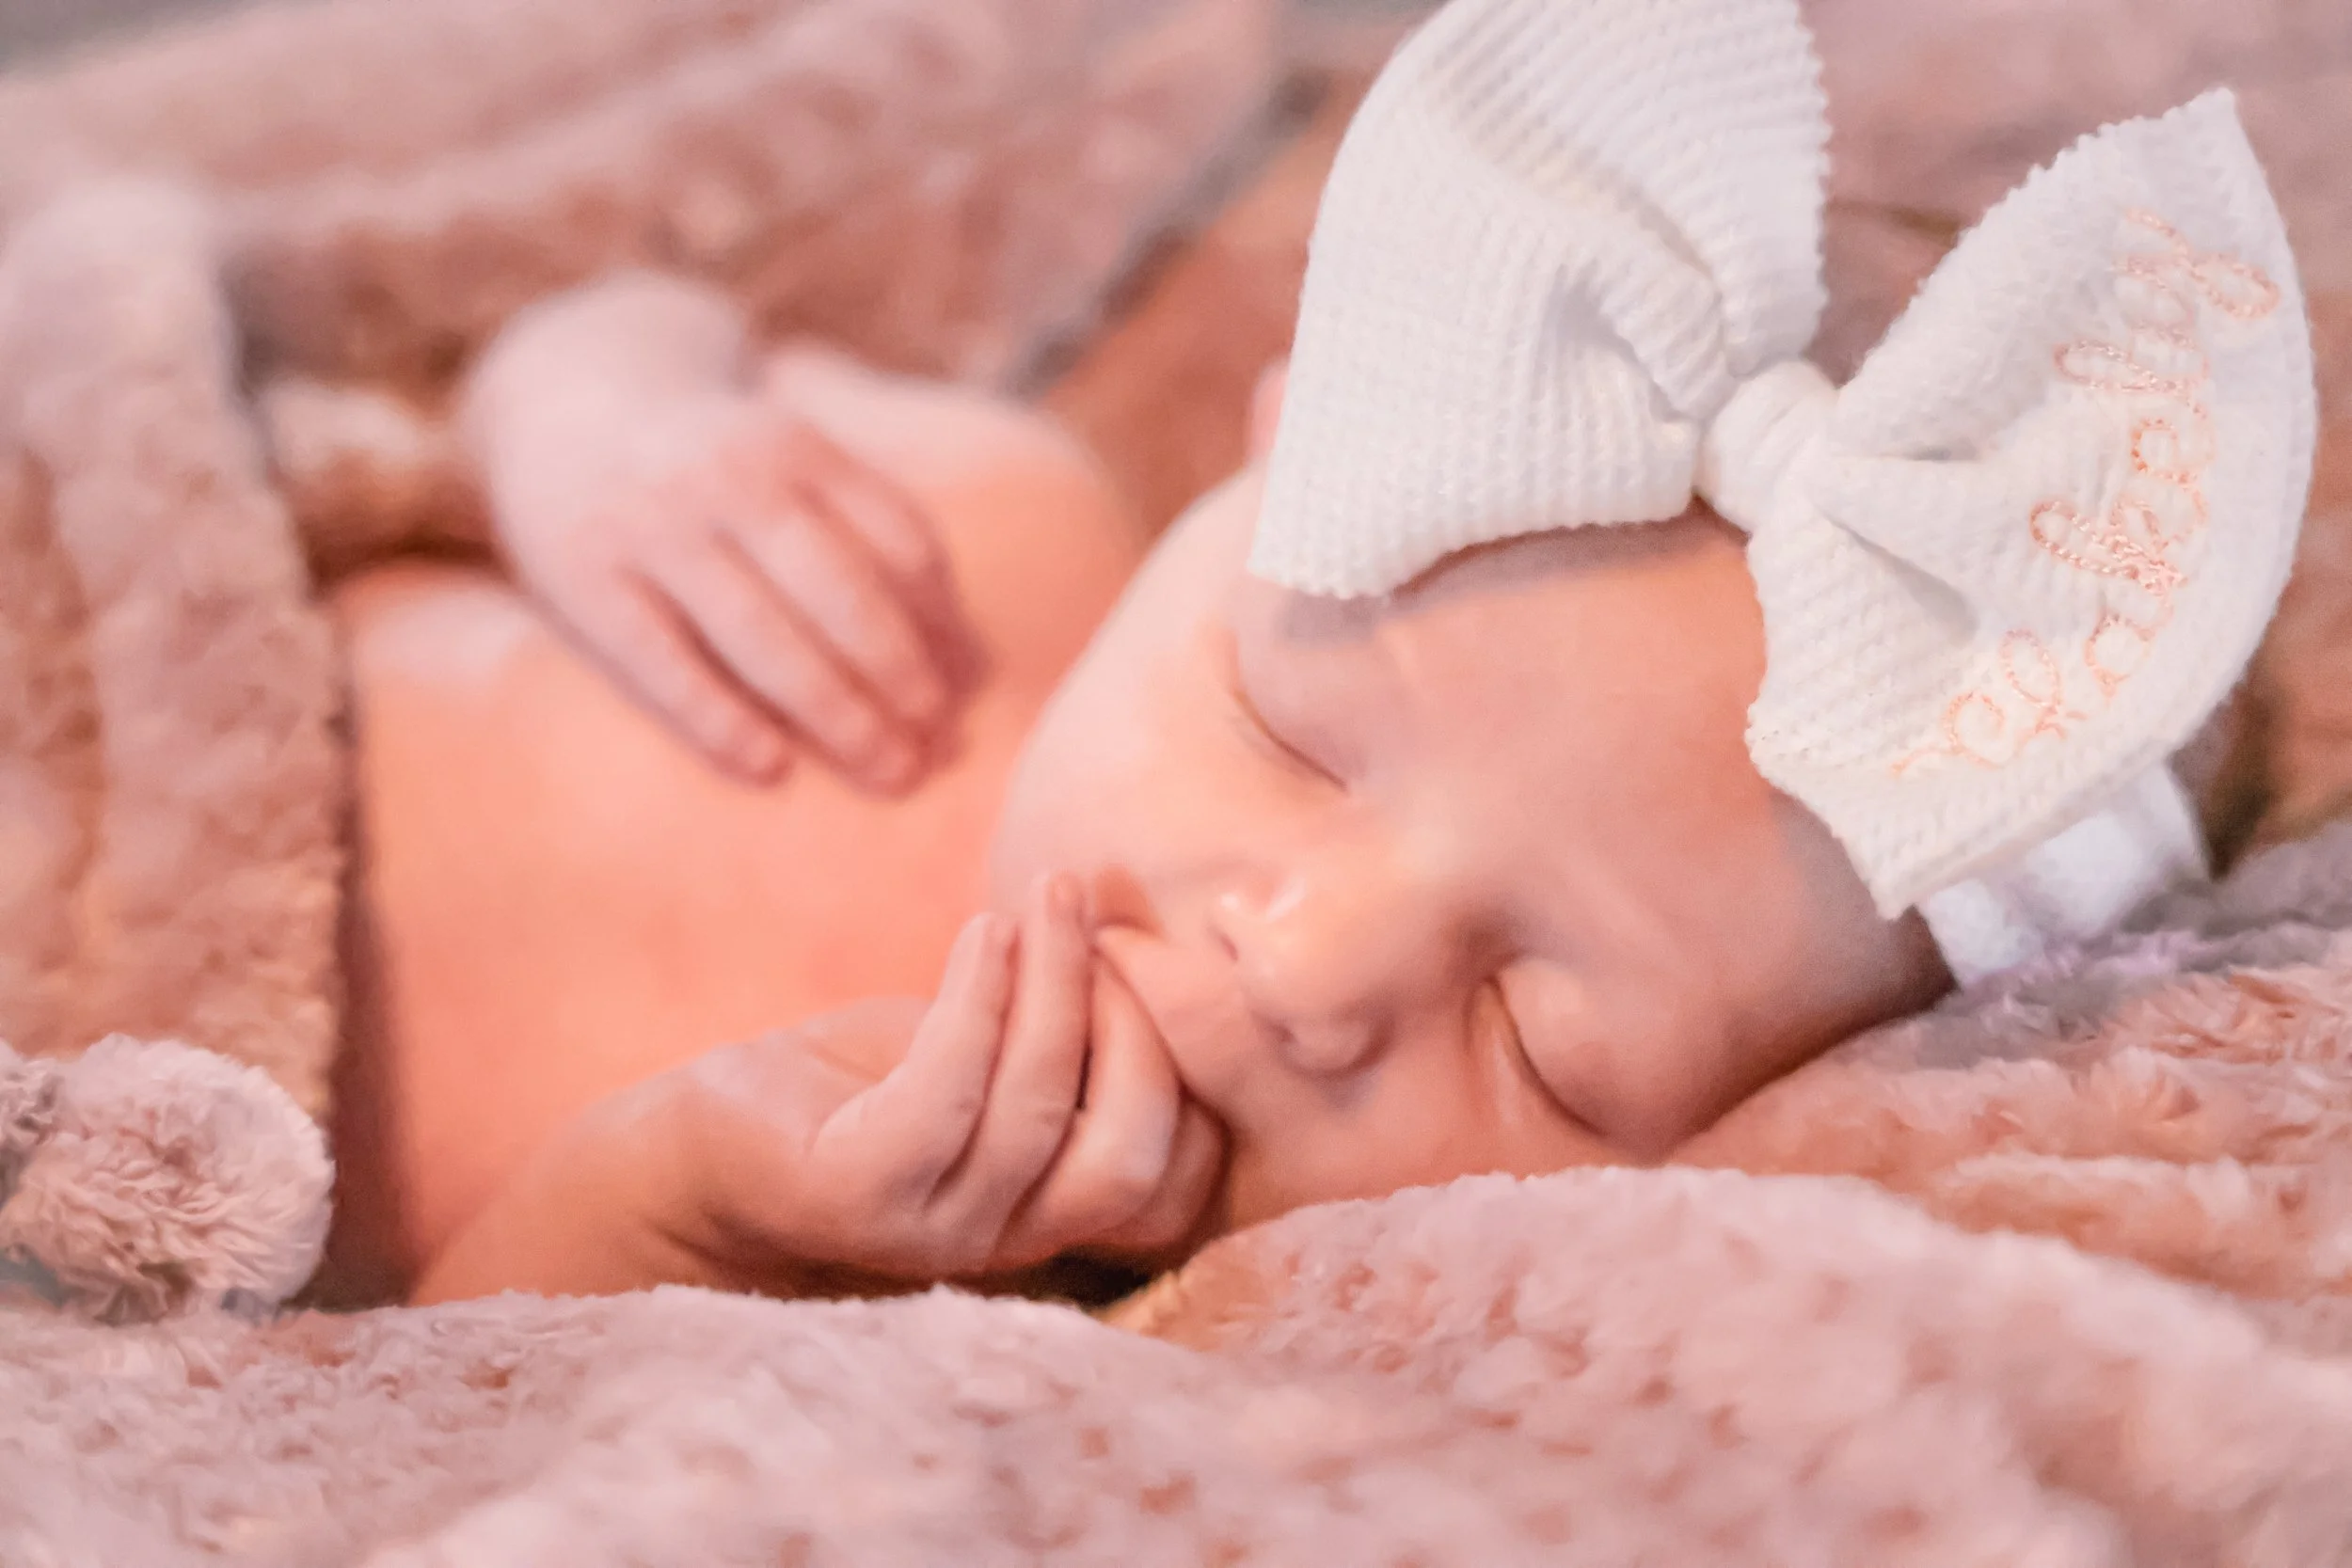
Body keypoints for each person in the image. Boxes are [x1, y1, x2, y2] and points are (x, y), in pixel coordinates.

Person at [332, 0, 2314, 1307]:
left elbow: (396, 1414)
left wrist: (680, 1201)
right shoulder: (992, 524)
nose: (1300, 964)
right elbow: (586, 321)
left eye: (1542, 1044)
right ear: (1277, 447)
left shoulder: (985, 1264)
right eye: (1289, 730)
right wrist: (598, 425)